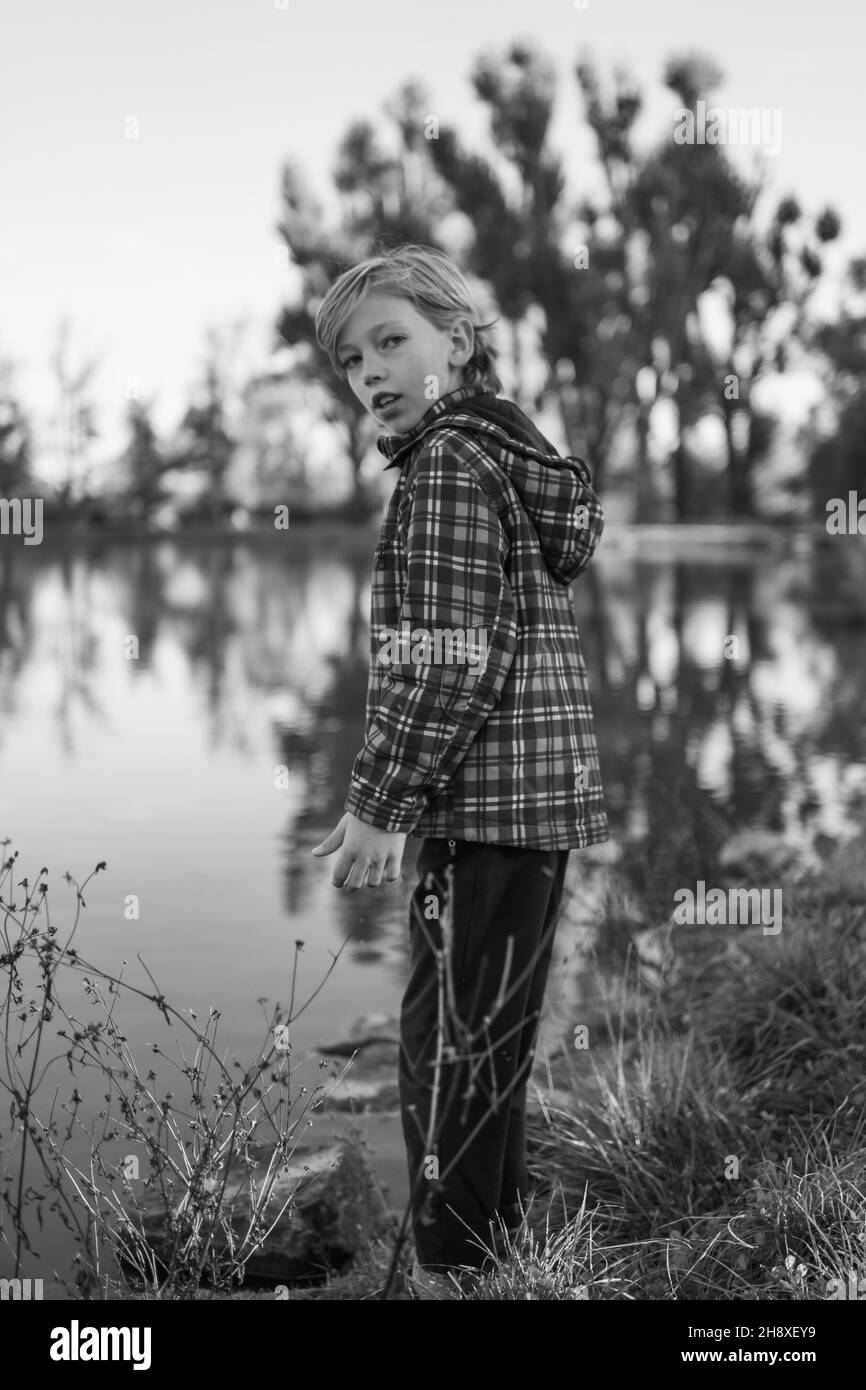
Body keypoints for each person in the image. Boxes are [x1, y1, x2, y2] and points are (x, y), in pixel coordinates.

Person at [310, 243, 609, 1296]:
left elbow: (442, 660)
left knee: (452, 1057)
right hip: (524, 812)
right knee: (482, 1048)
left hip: (481, 809)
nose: (371, 371)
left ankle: (454, 1275)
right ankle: (495, 1256)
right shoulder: (498, 454)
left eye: (391, 340)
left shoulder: (445, 463)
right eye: (351, 360)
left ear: (457, 339)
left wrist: (375, 806)